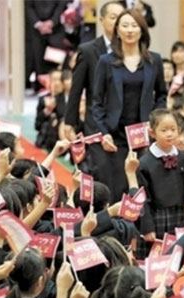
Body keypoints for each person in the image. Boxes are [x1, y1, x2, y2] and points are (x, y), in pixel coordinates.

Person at [92, 8, 167, 201]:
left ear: (142, 30)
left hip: (144, 134)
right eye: (124, 25)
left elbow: (161, 95)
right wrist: (104, 132)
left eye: (134, 25)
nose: (130, 30)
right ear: (117, 31)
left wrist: (154, 123)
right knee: (117, 187)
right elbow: (97, 102)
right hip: (115, 136)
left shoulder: (154, 60)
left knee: (142, 185)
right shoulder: (106, 62)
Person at [65, 1, 124, 181]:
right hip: (96, 121)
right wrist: (70, 121)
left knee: (122, 172)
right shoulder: (88, 50)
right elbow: (76, 89)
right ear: (101, 20)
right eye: (113, 18)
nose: (117, 22)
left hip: (124, 122)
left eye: (121, 18)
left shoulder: (132, 51)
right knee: (102, 170)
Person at [138, 109, 184, 241]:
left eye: (173, 129)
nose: (169, 134)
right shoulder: (144, 163)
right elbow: (142, 198)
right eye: (164, 130)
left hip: (182, 214)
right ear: (152, 132)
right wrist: (147, 227)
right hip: (157, 218)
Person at [24, 0, 68, 90]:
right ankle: (40, 86)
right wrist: (38, 24)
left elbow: (62, 5)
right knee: (37, 58)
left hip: (56, 30)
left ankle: (55, 87)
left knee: (55, 60)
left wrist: (52, 22)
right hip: (34, 31)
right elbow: (28, 7)